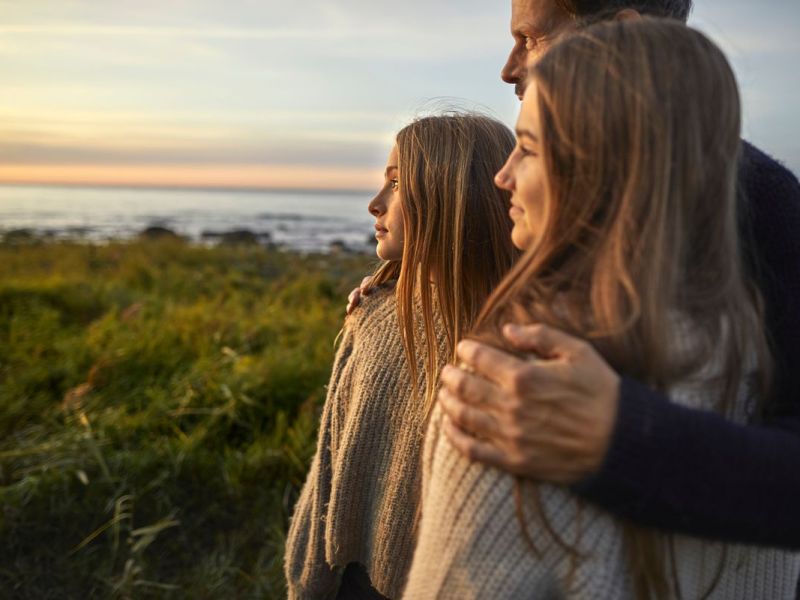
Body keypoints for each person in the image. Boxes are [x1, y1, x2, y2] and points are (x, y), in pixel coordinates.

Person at [402, 19, 800, 599]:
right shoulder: (749, 351)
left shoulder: (519, 390)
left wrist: (623, 438)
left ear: (601, 166)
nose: (502, 175)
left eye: (529, 148)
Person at [283, 113, 517, 599]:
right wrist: (308, 579)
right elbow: (333, 458)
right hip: (349, 576)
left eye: (396, 183)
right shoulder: (373, 314)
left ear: (452, 196)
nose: (374, 205)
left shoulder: (517, 343)